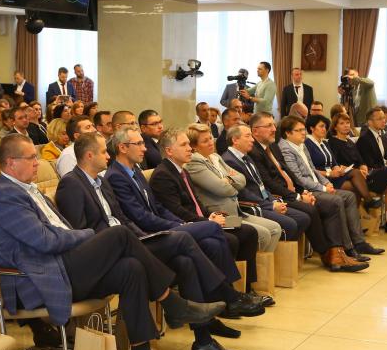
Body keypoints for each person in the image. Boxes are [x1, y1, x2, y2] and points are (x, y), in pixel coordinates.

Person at [0, 134, 223, 350]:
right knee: (119, 234)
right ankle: (172, 303)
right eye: (31, 158)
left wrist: (77, 237)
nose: (37, 163)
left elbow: (56, 233)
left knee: (131, 268)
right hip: (42, 276)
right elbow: (46, 241)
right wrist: (86, 234)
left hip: (61, 264)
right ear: (11, 162)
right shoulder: (5, 196)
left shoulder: (27, 190)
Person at [55, 133, 242, 350]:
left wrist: (142, 237)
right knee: (185, 237)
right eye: (104, 152)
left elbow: (122, 219)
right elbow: (80, 233)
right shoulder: (71, 184)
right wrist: (123, 240)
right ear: (89, 155)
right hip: (110, 251)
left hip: (132, 241)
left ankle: (203, 341)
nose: (108, 156)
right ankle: (227, 295)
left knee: (185, 262)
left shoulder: (102, 181)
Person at [104, 127, 268, 318]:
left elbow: (158, 208)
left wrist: (179, 223)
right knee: (212, 227)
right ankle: (231, 296)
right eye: (139, 143)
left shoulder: (135, 171)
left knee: (211, 243)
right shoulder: (116, 176)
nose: (145, 148)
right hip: (147, 236)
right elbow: (141, 217)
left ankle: (216, 309)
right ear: (123, 148)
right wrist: (178, 226)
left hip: (164, 229)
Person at [224, 124, 366, 272]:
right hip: (250, 207)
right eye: (248, 136)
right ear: (235, 140)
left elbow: (265, 184)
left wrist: (296, 194)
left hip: (272, 197)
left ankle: (337, 252)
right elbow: (248, 190)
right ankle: (323, 255)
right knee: (304, 215)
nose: (252, 140)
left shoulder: (251, 155)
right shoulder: (232, 159)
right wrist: (274, 203)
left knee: (328, 205)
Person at [150, 129, 267, 307]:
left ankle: (246, 289)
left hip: (204, 219)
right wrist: (207, 221)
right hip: (190, 225)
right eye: (184, 145)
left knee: (248, 231)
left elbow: (196, 202)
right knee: (229, 240)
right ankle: (226, 296)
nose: (190, 148)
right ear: (169, 151)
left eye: (189, 144)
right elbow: (176, 210)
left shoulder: (182, 170)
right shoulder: (163, 175)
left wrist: (209, 215)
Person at [271, 112, 383, 260]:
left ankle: (359, 242)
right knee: (336, 200)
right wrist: (323, 188)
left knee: (349, 196)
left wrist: (326, 183)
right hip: (306, 190)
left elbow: (313, 170)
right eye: (299, 130)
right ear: (287, 133)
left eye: (303, 129)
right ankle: (346, 248)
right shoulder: (285, 148)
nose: (303, 133)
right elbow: (298, 178)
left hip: (317, 185)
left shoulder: (301, 145)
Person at [184, 124, 281, 252]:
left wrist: (227, 180)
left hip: (236, 211)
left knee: (275, 228)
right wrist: (232, 183)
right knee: (263, 233)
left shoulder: (216, 157)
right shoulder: (194, 162)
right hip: (222, 216)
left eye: (211, 138)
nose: (211, 142)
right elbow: (222, 188)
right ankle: (251, 264)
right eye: (205, 141)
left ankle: (259, 263)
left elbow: (242, 179)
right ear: (194, 146)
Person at [327, 113, 387, 233]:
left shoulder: (350, 142)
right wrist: (358, 170)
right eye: (342, 123)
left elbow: (361, 161)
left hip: (362, 175)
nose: (346, 126)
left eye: (347, 123)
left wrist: (363, 167)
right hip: (347, 176)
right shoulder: (333, 142)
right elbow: (335, 164)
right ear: (335, 126)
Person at [305, 114, 380, 209]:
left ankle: (361, 209)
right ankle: (367, 201)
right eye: (321, 126)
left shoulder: (324, 143)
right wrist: (329, 173)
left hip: (333, 176)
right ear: (311, 128)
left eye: (325, 127)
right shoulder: (307, 144)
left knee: (356, 179)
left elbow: (334, 163)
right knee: (356, 184)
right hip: (322, 179)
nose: (324, 129)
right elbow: (310, 169)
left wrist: (338, 169)